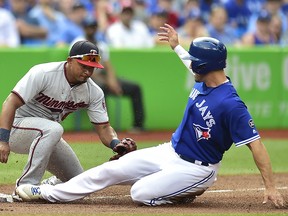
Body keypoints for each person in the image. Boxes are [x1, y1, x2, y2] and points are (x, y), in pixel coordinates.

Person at [15, 24, 284, 208]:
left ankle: (183, 191)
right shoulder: (205, 79)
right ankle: (45, 192)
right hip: (170, 152)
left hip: (197, 168)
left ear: (205, 66)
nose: (191, 63)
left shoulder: (231, 104)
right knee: (109, 170)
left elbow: (256, 144)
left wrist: (270, 187)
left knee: (140, 192)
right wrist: (177, 47)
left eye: (194, 60)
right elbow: (190, 63)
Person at [0, 40, 135, 191]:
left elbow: (104, 128)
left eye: (92, 68)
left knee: (78, 181)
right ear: (70, 60)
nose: (88, 72)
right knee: (54, 129)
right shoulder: (44, 73)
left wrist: (116, 144)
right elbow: (9, 103)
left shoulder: (94, 92)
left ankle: (48, 184)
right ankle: (26, 185)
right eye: (84, 66)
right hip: (15, 127)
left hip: (47, 136)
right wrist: (3, 140)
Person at [71, 17, 145, 132]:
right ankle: (102, 127)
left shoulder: (101, 45)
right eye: (89, 27)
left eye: (93, 27)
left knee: (135, 88)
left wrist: (113, 82)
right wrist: (107, 82)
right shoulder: (78, 44)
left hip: (103, 78)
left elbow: (108, 66)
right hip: (83, 80)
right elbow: (80, 69)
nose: (91, 30)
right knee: (100, 88)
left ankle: (138, 125)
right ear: (84, 28)